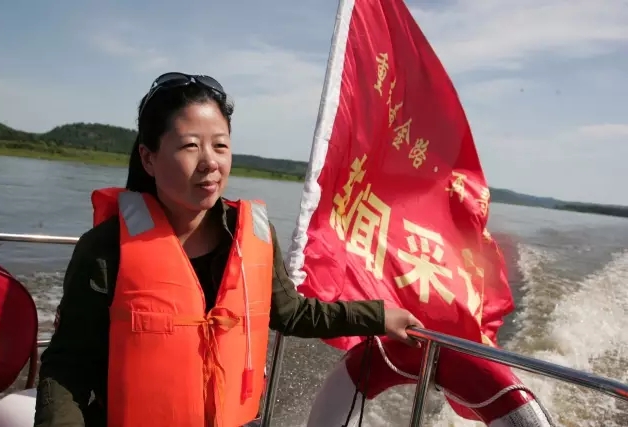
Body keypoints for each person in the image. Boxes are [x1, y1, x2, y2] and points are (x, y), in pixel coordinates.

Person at [33, 72, 423, 427]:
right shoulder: (106, 249)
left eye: (220, 145)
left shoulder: (253, 235)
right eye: (190, 146)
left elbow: (291, 313)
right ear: (148, 158)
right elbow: (68, 367)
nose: (210, 162)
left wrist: (378, 317)